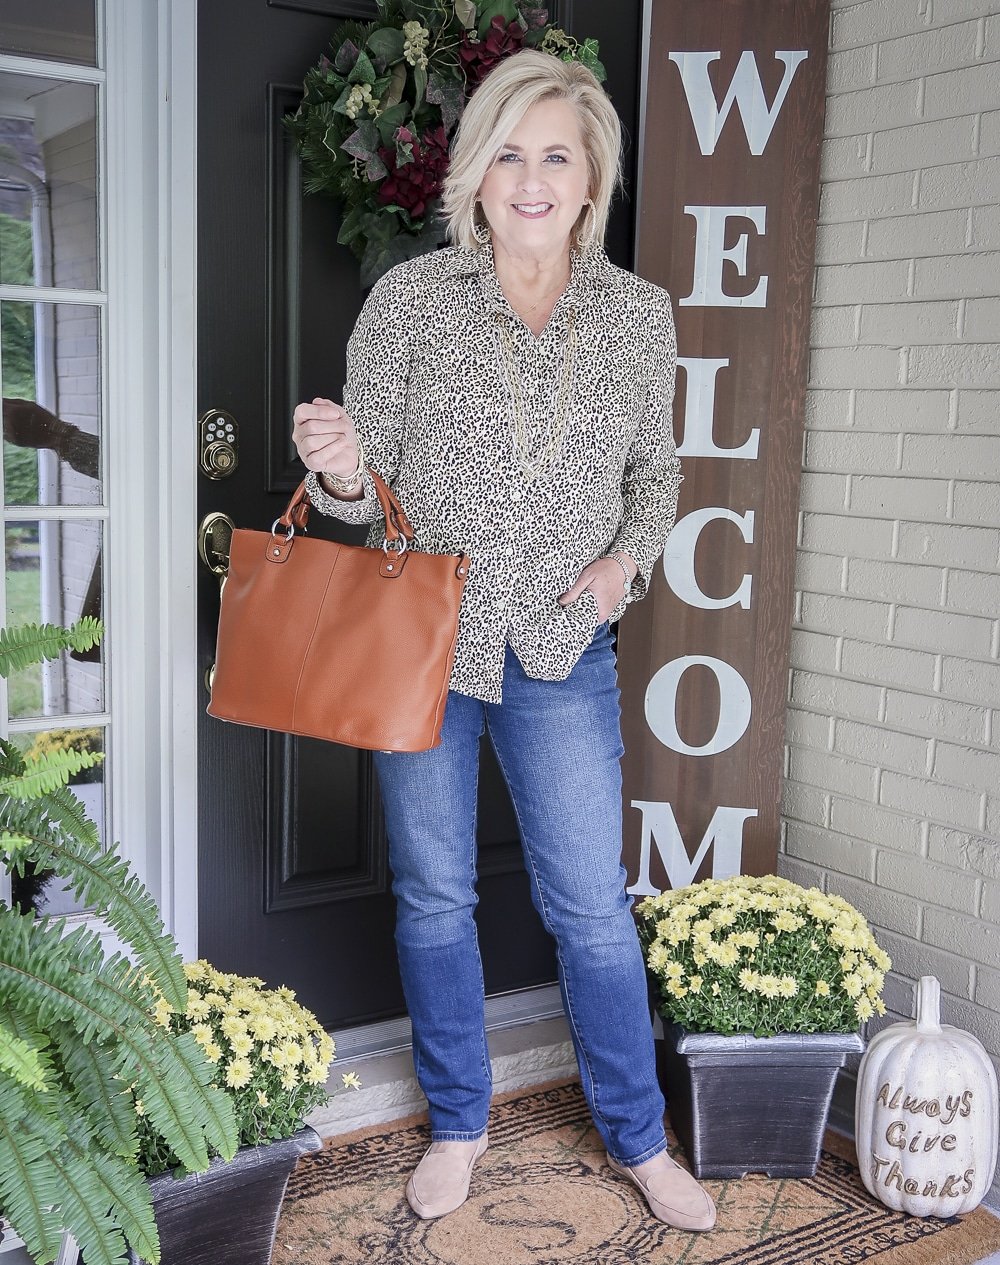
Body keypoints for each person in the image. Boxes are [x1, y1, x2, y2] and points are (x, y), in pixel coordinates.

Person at [291, 48, 715, 1233]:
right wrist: (335, 470)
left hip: (560, 644)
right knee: (434, 894)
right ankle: (460, 1120)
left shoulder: (638, 317)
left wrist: (624, 561)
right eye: (510, 155)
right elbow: (362, 496)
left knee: (589, 903)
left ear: (590, 180)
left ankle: (639, 1135)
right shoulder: (410, 302)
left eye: (556, 156)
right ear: (476, 176)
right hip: (419, 638)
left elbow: (656, 476)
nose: (532, 179)